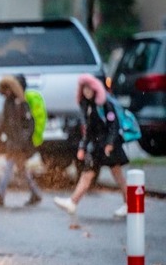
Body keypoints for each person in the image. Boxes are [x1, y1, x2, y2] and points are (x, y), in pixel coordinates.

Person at [54, 74, 128, 217]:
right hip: (97, 147)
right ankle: (73, 202)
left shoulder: (105, 104)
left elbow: (113, 125)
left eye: (89, 88)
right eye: (84, 88)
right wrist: (83, 146)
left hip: (108, 146)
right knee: (87, 174)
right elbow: (89, 130)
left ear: (95, 88)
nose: (86, 91)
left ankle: (129, 203)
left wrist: (110, 144)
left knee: (118, 175)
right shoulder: (87, 105)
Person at [0, 76, 43, 207]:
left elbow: (29, 124)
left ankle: (0, 194)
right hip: (12, 142)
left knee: (9, 168)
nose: (6, 92)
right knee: (22, 170)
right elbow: (4, 121)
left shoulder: (21, 103)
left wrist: (23, 141)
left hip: (18, 144)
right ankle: (35, 193)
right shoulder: (8, 102)